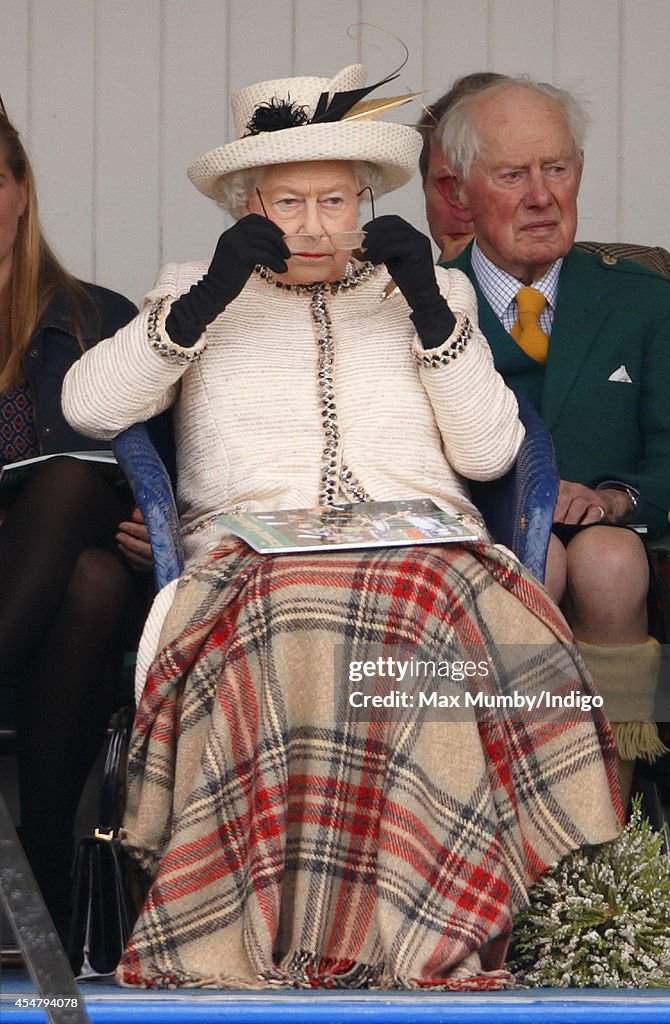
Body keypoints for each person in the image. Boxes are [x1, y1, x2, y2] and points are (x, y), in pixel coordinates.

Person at [62, 63, 621, 990]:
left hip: (422, 550)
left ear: (366, 204)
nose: (315, 225)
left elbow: (489, 454)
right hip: (254, 556)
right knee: (294, 614)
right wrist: (201, 305)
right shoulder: (192, 286)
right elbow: (88, 404)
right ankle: (286, 930)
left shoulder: (418, 288)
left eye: (335, 200)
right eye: (289, 202)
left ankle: (427, 925)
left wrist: (436, 311)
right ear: (246, 205)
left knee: (422, 606)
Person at [433, 75, 670, 796]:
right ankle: (507, 803)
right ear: (460, 191)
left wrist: (615, 500)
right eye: (512, 174)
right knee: (537, 564)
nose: (541, 196)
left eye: (556, 168)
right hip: (478, 543)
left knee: (611, 559)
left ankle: (603, 827)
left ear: (579, 172)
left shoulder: (651, 306)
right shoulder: (421, 307)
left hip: (615, 548)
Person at [0, 104, 151, 940]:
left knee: (94, 572)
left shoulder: (101, 319)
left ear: (22, 193)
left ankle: (47, 863)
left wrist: (145, 520)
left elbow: (164, 470)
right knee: (84, 575)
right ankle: (46, 871)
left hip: (77, 582)